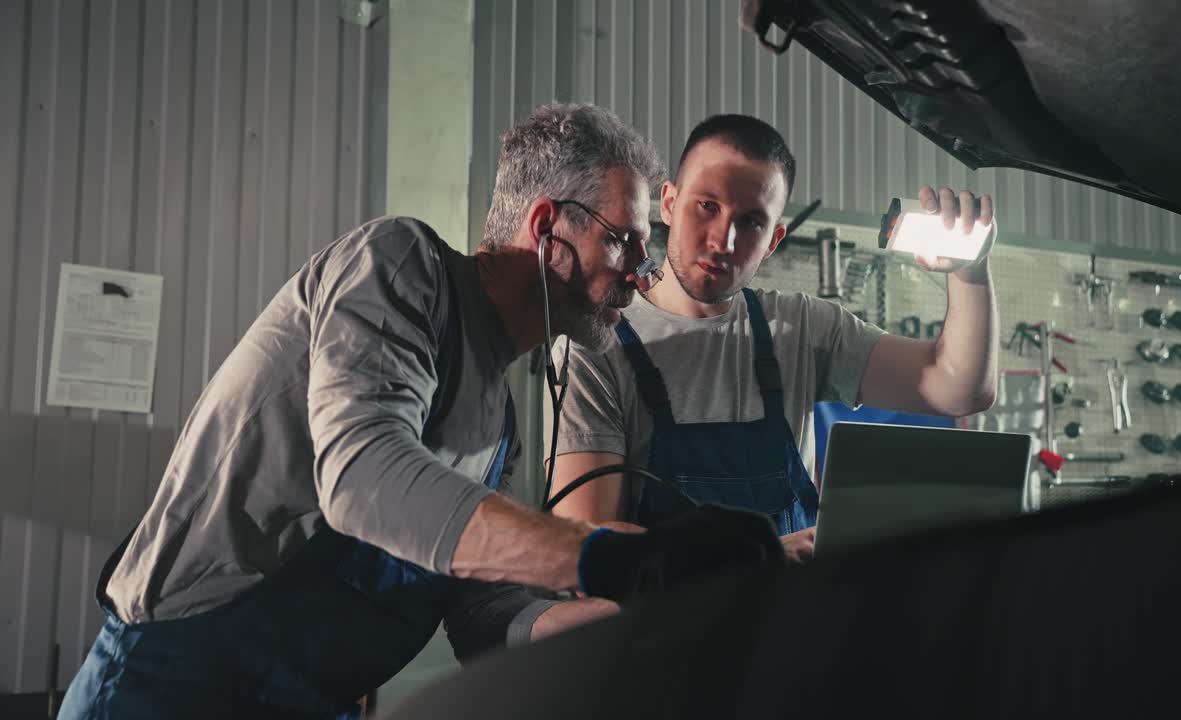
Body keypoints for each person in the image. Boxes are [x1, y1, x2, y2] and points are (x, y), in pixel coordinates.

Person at [58, 104, 783, 720]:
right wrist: (618, 558)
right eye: (623, 239)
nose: (641, 270)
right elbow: (364, 472)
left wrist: (612, 618)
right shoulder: (398, 268)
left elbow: (482, 613)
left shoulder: (499, 421)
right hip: (174, 687)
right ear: (547, 226)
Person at [544, 114, 999, 563]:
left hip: (790, 627)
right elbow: (588, 546)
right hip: (664, 633)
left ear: (775, 239)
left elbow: (959, 386)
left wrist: (970, 269)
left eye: (752, 222)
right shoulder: (595, 346)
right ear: (668, 203)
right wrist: (757, 557)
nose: (724, 240)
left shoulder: (801, 329)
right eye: (707, 206)